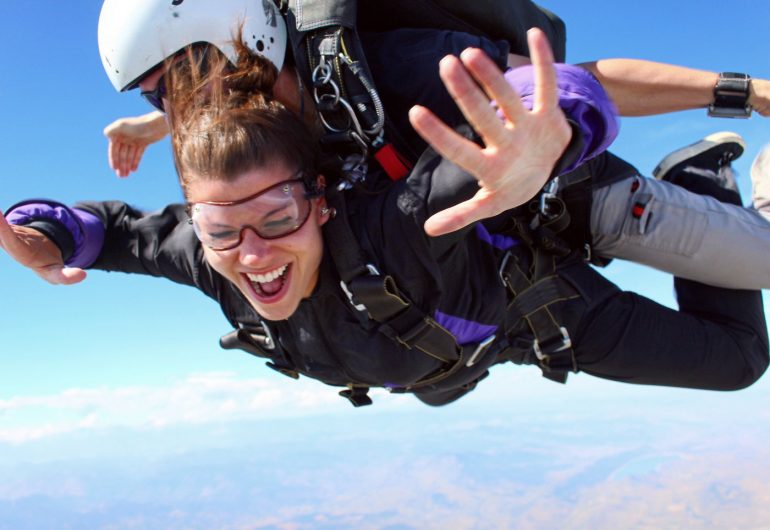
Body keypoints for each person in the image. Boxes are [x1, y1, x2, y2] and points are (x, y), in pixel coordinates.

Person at [1, 33, 767, 407]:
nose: (254, 252)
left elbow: (555, 93)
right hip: (456, 349)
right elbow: (111, 231)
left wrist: (554, 134)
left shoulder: (400, 221)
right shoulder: (209, 254)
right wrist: (44, 234)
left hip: (538, 305)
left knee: (736, 362)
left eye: (276, 215)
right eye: (220, 229)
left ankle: (698, 178)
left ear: (322, 200)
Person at [96, 0, 770, 289]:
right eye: (159, 97)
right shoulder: (258, 133)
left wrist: (746, 90)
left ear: (238, 32)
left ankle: (705, 176)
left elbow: (569, 83)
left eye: (180, 83)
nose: (182, 113)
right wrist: (153, 127)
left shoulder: (378, 71)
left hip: (587, 199)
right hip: (515, 251)